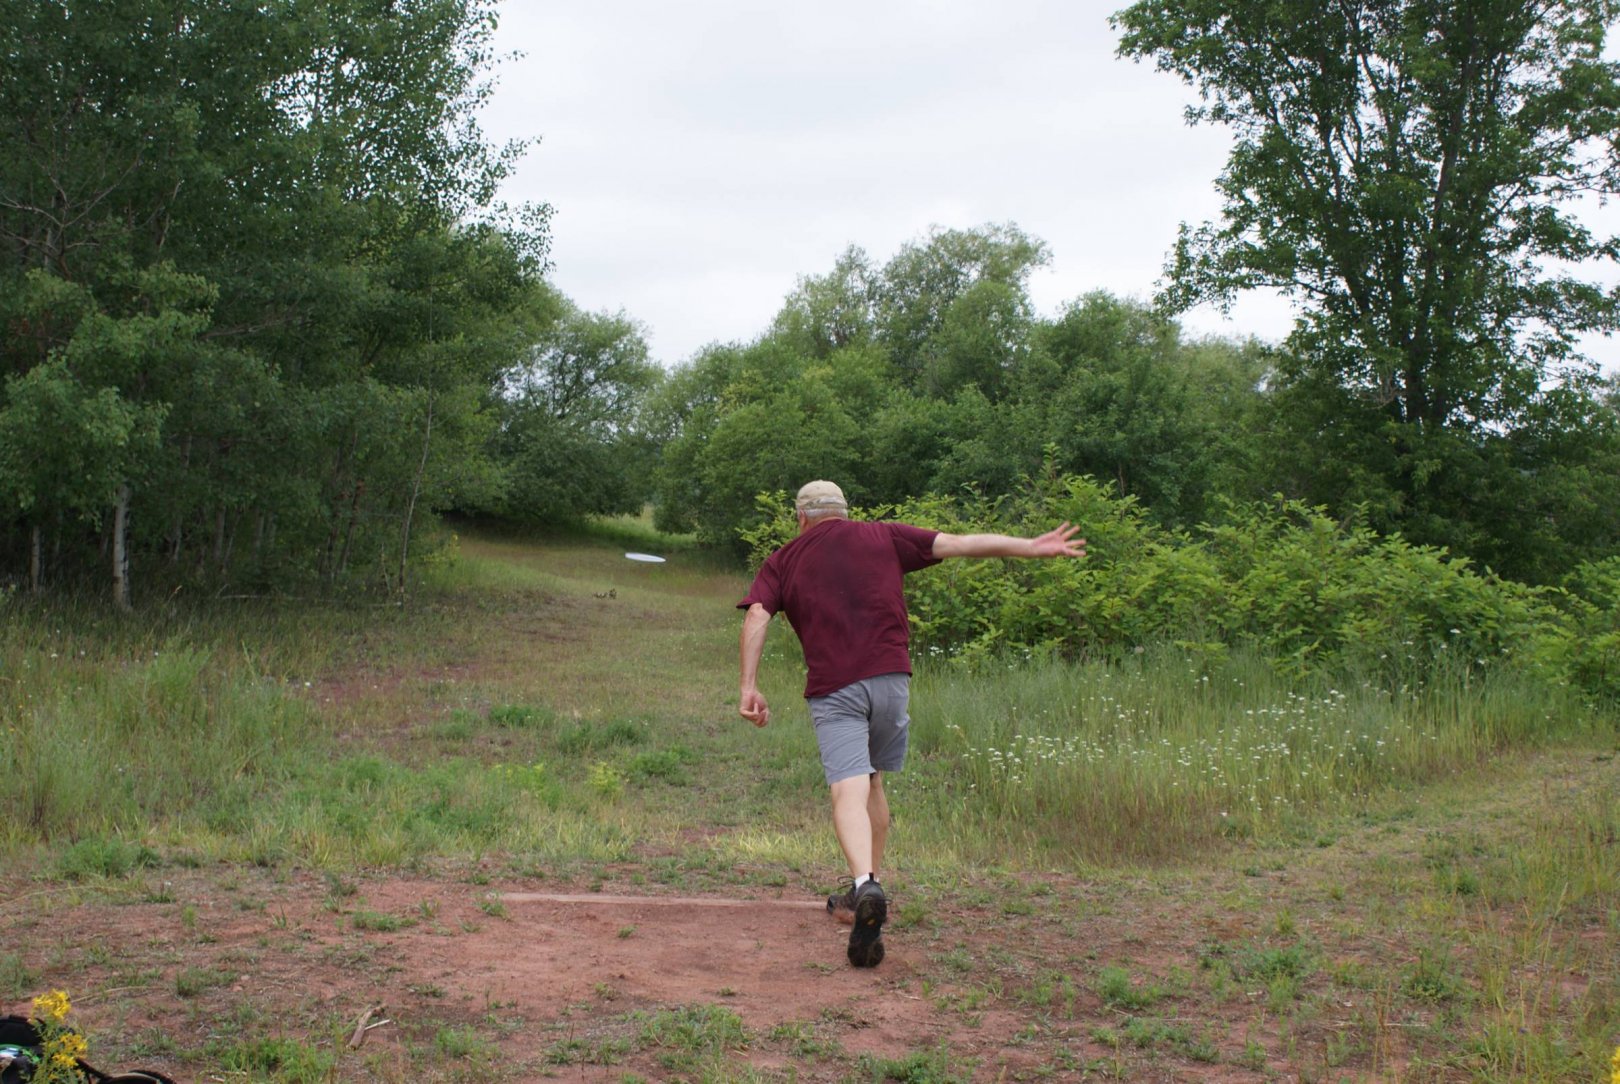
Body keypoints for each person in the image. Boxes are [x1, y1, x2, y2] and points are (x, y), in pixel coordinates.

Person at [736, 480, 1085, 967]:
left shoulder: (785, 559)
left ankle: (863, 886)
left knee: (848, 790)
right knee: (874, 779)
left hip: (837, 687)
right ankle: (867, 891)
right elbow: (961, 544)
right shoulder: (884, 536)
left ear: (801, 518)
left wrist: (749, 684)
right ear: (846, 512)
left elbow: (757, 614)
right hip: (892, 678)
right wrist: (1030, 546)